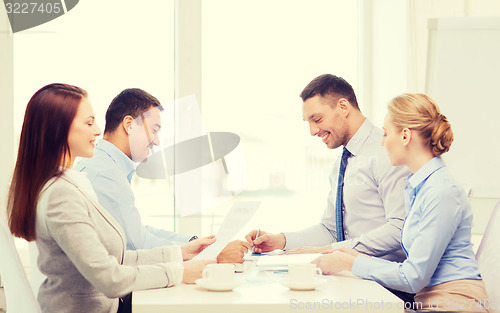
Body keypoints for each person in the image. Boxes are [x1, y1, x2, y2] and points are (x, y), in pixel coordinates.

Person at [7, 83, 214, 313]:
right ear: (60, 128)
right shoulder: (61, 193)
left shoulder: (73, 182)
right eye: (88, 122)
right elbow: (110, 276)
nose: (97, 130)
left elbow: (118, 256)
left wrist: (181, 252)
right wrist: (180, 271)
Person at [312, 93, 488, 312]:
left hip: (453, 303)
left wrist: (351, 263)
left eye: (385, 134)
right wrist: (354, 255)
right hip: (430, 301)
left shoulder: (442, 191)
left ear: (405, 136)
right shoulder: (417, 186)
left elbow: (413, 277)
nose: (383, 142)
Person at [246, 74, 409, 263]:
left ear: (343, 107)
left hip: (387, 284)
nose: (312, 131)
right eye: (308, 122)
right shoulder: (342, 163)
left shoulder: (387, 151)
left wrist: (330, 251)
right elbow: (331, 229)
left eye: (317, 119)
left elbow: (400, 228)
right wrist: (280, 240)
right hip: (353, 276)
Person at [74, 88, 250, 263]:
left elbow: (136, 232)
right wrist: (211, 254)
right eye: (154, 130)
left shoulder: (104, 165)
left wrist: (192, 243)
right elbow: (137, 245)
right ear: (129, 124)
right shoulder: (105, 173)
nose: (157, 141)